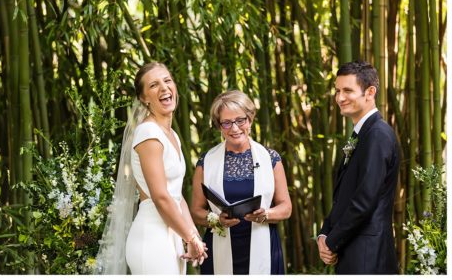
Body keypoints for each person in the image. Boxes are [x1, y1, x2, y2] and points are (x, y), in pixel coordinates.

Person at [95, 62, 206, 274]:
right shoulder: (148, 133)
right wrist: (189, 237)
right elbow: (161, 197)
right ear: (143, 98)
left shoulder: (171, 135)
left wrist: (193, 234)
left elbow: (176, 195)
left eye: (167, 81)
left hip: (171, 234)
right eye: (154, 85)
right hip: (152, 237)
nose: (164, 88)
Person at [190, 90, 291, 274]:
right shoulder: (206, 161)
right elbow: (196, 211)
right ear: (219, 126)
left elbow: (286, 207)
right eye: (227, 123)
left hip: (264, 246)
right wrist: (216, 220)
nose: (235, 128)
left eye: (240, 120)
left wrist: (266, 214)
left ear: (250, 120)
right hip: (219, 247)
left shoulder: (270, 158)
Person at [316, 61, 400, 274]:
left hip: (367, 255)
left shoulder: (378, 135)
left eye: (347, 90)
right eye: (337, 91)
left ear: (370, 92)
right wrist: (324, 235)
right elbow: (343, 197)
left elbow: (364, 201)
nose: (340, 98)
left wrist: (332, 241)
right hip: (353, 250)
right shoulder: (361, 135)